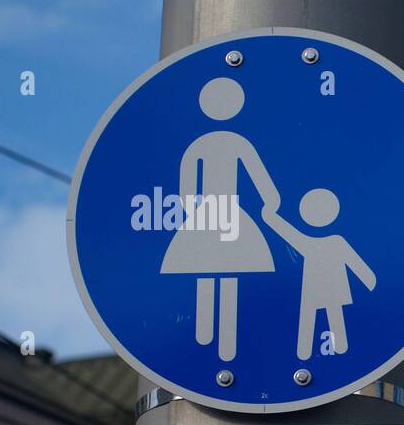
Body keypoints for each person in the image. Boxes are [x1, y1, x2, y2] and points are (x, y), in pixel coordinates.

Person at [161, 76, 278, 362]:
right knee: (225, 271)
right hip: (228, 216)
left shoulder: (201, 146)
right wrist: (270, 202)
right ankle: (215, 341)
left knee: (213, 270)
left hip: (210, 215)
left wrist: (195, 214)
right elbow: (261, 180)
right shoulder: (233, 143)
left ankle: (210, 338)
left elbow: (186, 188)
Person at [262, 188, 377, 361]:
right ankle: (313, 353)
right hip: (319, 288)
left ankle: (320, 352)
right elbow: (289, 234)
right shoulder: (327, 242)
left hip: (321, 288)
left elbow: (354, 261)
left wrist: (369, 280)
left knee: (320, 317)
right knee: (317, 316)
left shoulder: (322, 243)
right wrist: (370, 280)